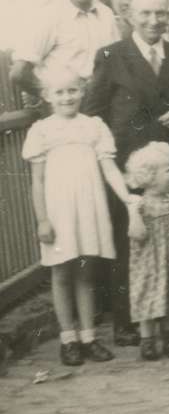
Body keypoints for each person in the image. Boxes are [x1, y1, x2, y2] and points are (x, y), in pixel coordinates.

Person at [83, 0, 169, 345]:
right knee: (131, 241)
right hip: (130, 165)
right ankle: (128, 321)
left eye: (160, 14)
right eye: (146, 14)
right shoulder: (112, 55)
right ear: (129, 17)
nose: (154, 21)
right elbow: (95, 112)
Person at [22, 66, 134, 366]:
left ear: (82, 91)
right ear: (47, 96)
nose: (67, 97)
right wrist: (43, 219)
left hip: (88, 209)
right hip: (59, 213)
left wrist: (127, 198)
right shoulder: (42, 131)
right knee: (61, 273)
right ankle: (68, 338)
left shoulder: (93, 126)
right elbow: (38, 180)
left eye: (73, 90)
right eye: (59, 92)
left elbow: (109, 169)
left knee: (86, 274)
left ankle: (88, 336)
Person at [10, 0, 119, 105]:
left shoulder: (106, 14)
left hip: (103, 103)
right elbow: (19, 73)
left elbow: (115, 60)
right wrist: (51, 95)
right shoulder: (48, 16)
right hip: (65, 108)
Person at [124, 142, 169, 361]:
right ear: (150, 176)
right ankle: (147, 340)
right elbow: (135, 234)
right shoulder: (140, 205)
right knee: (148, 300)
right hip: (149, 265)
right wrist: (134, 214)